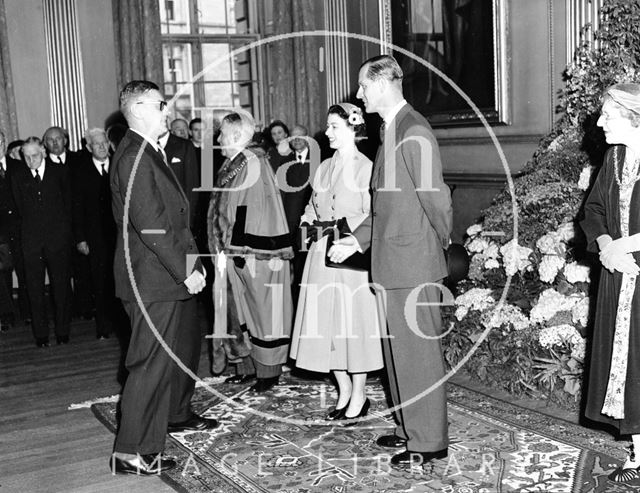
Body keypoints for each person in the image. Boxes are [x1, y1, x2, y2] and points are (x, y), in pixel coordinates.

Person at [329, 55, 452, 468]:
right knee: (399, 356)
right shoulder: (392, 129)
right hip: (393, 261)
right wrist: (355, 240)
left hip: (413, 263)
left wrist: (438, 244)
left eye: (363, 87)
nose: (359, 95)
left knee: (417, 358)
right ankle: (408, 428)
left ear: (381, 85)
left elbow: (436, 198)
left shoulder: (413, 128)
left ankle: (429, 440)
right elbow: (385, 204)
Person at [109, 80, 216, 475]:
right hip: (151, 279)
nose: (167, 110)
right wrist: (186, 271)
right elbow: (153, 227)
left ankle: (146, 449)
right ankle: (129, 452)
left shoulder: (143, 150)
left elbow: (172, 221)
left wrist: (192, 264)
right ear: (138, 109)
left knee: (157, 366)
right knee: (149, 366)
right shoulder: (134, 156)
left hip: (156, 276)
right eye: (159, 104)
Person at [289, 103, 383, 421]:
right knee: (327, 330)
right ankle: (342, 390)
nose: (326, 132)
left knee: (351, 330)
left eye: (334, 127)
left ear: (354, 129)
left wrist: (347, 235)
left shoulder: (367, 168)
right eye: (327, 126)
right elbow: (311, 209)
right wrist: (307, 231)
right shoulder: (323, 167)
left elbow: (374, 215)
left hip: (349, 260)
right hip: (320, 258)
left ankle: (359, 395)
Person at [207, 111, 294, 393]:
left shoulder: (255, 163)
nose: (218, 138)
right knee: (239, 311)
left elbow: (257, 210)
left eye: (221, 133)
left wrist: (240, 250)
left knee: (263, 312)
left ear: (235, 136)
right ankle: (246, 367)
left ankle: (269, 372)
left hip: (253, 253)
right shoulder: (234, 163)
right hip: (234, 251)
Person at [581, 83, 640, 484]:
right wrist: (606, 247)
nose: (600, 123)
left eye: (608, 115)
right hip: (618, 276)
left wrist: (621, 249)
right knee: (629, 364)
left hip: (632, 268)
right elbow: (594, 209)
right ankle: (638, 453)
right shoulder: (615, 157)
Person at [11, 137, 73, 347]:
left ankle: (63, 332)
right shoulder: (18, 176)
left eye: (35, 156)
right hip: (31, 241)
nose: (31, 161)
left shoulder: (60, 173)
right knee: (35, 290)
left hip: (57, 240)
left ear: (44, 153)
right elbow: (20, 209)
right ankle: (41, 335)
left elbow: (68, 207)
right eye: (26, 157)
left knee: (61, 288)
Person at [72, 128, 127, 340]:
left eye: (104, 143)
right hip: (96, 238)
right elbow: (76, 209)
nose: (102, 147)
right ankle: (104, 327)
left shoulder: (120, 164)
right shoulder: (81, 172)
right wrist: (80, 238)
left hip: (121, 235)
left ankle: (124, 326)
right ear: (88, 148)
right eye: (97, 144)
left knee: (123, 281)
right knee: (101, 282)